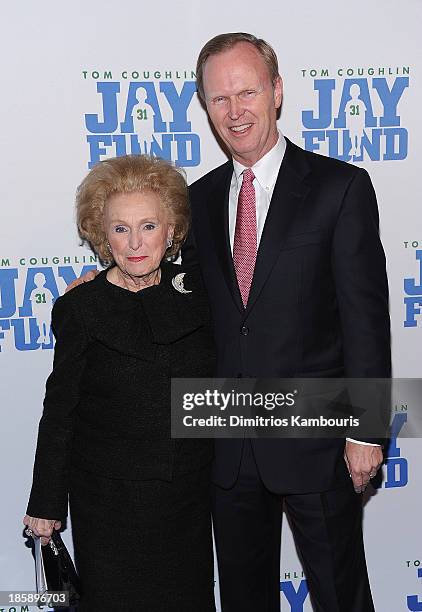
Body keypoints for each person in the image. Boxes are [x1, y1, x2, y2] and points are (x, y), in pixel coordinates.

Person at [182, 33, 391, 611]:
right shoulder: (195, 201)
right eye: (219, 99)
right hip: (227, 442)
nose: (234, 111)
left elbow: (366, 320)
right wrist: (97, 285)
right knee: (244, 599)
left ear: (276, 92)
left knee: (340, 594)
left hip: (319, 439)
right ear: (205, 108)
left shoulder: (339, 187)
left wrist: (367, 431)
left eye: (246, 92)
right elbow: (173, 297)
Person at [23, 154, 216, 612]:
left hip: (186, 499)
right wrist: (46, 503)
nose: (135, 243)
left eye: (149, 226)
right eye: (120, 228)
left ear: (172, 231)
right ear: (100, 234)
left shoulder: (202, 294)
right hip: (108, 505)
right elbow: (60, 412)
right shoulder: (81, 308)